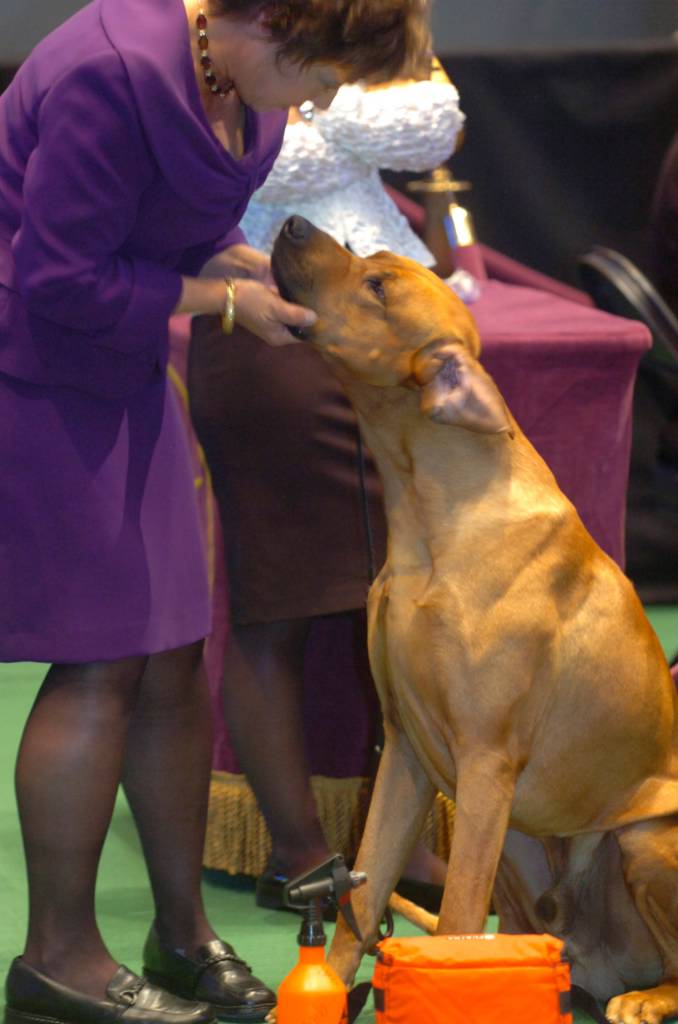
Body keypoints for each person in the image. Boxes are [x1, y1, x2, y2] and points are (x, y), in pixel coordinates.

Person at [0, 1, 431, 1022]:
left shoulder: (243, 87)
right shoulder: (113, 70)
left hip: (122, 367)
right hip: (31, 374)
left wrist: (252, 275)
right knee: (103, 656)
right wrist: (228, 304)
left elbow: (189, 231)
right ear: (275, 31)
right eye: (323, 76)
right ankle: (57, 956)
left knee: (173, 651)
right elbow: (57, 280)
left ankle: (181, 932)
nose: (324, 102)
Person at [188, 61, 463, 912]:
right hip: (267, 330)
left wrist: (317, 96)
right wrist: (335, 101)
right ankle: (303, 858)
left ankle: (397, 842)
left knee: (400, 605)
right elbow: (262, 166)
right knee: (277, 607)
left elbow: (435, 127)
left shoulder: (345, 41)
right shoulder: (212, 38)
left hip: (384, 337)